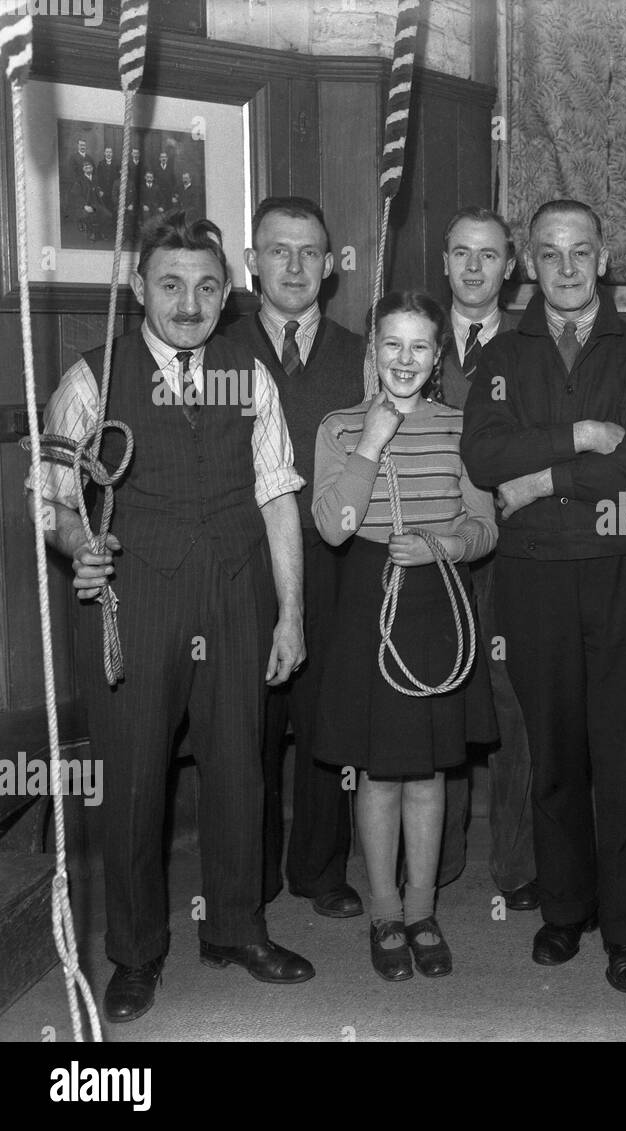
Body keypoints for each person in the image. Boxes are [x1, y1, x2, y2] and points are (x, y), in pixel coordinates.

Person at [27, 211, 315, 1023]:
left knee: (239, 769)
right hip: (133, 599)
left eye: (206, 286)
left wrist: (290, 614)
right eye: (170, 284)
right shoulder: (91, 376)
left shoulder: (249, 374)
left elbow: (277, 496)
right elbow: (49, 494)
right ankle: (136, 952)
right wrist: (77, 541)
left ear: (228, 293)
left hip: (233, 595)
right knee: (134, 783)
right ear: (137, 285)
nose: (188, 302)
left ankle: (235, 927)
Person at [462, 199, 626, 993]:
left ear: (604, 256)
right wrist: (583, 437)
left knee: (625, 755)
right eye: (549, 254)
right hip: (534, 574)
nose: (566, 267)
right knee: (551, 749)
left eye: (580, 251)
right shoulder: (501, 355)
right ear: (529, 265)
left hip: (621, 566)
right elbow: (484, 455)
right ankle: (564, 910)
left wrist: (546, 475)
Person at [312, 290, 497, 981]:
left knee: (428, 770)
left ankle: (423, 909)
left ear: (437, 356)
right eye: (392, 344)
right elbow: (333, 525)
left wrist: (443, 543)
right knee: (380, 770)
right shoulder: (337, 427)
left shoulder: (460, 426)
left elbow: (485, 527)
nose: (405, 359)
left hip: (437, 601)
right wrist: (369, 443)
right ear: (371, 350)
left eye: (420, 345)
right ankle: (384, 910)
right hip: (369, 595)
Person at [221, 196, 366, 921]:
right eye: (279, 250)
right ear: (250, 263)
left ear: (332, 266)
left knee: (326, 721)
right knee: (248, 724)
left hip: (334, 561)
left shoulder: (360, 353)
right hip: (244, 564)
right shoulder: (217, 351)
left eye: (311, 252)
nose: (296, 266)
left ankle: (320, 868)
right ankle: (248, 876)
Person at [435, 205, 539, 911]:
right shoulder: (406, 334)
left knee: (512, 705)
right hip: (427, 550)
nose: (475, 268)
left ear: (512, 267)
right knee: (433, 696)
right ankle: (432, 862)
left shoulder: (532, 346)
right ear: (445, 260)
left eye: (490, 255)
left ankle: (517, 864)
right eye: (462, 253)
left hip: (509, 549)